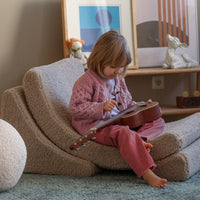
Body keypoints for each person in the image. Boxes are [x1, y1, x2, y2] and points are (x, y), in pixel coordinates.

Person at [69, 30, 167, 188]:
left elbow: (127, 104)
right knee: (124, 133)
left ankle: (139, 140)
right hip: (99, 126)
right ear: (98, 60)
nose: (118, 71)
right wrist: (101, 107)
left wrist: (144, 107)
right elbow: (75, 109)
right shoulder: (86, 81)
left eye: (122, 66)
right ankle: (147, 173)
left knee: (157, 120)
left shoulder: (117, 78)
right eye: (113, 66)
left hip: (120, 120)